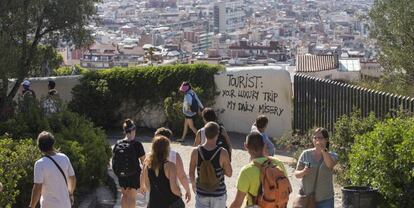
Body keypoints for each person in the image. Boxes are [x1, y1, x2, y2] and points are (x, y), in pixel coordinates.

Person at [230, 132, 288, 208]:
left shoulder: (246, 171)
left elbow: (237, 203)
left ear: (245, 146)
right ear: (264, 145)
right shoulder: (278, 163)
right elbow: (286, 188)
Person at [189, 122, 232, 208]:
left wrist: (194, 185)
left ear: (204, 133)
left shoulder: (195, 152)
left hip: (202, 192)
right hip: (218, 193)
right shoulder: (222, 152)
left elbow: (191, 172)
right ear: (217, 134)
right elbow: (229, 173)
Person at [29, 131, 76, 208]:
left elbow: (37, 187)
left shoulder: (40, 164)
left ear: (39, 146)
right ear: (53, 143)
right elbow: (72, 178)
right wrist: (70, 193)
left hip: (48, 205)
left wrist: (32, 206)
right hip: (65, 204)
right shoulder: (64, 158)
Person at [294, 128, 338, 208]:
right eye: (315, 138)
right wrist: (303, 172)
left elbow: (330, 165)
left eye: (320, 138)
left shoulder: (333, 155)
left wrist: (323, 150)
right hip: (307, 198)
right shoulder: (305, 154)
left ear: (326, 140)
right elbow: (296, 174)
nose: (317, 140)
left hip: (325, 199)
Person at [141, 136, 185, 208]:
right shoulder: (170, 166)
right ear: (166, 150)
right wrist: (180, 194)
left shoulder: (147, 165)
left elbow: (148, 186)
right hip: (170, 203)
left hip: (154, 203)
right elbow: (174, 188)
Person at [112, 119, 146, 208]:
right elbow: (144, 162)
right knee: (131, 197)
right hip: (134, 175)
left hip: (121, 174)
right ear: (133, 130)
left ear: (125, 131)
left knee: (124, 195)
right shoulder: (137, 144)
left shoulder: (118, 143)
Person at [154, 127, 191, 202]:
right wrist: (187, 190)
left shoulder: (149, 157)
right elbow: (182, 176)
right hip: (171, 193)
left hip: (154, 194)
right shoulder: (174, 155)